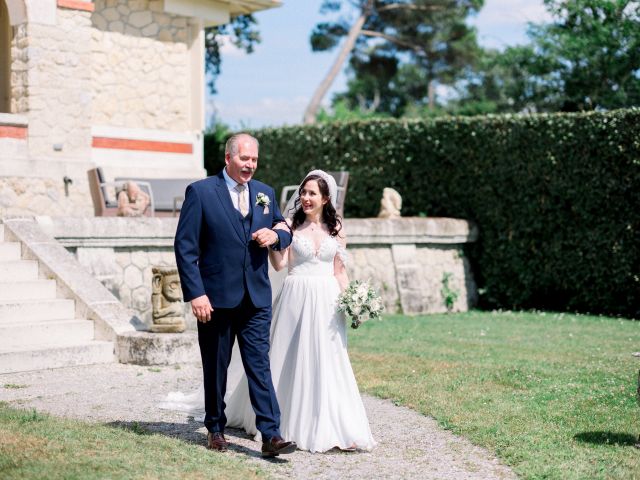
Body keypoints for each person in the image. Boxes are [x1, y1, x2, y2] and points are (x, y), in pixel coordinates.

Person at [165, 170, 376, 453]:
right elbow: (279, 263)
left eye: (313, 193)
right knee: (284, 360)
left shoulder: (337, 231)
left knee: (329, 362)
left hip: (327, 302)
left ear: (326, 198)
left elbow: (340, 272)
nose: (306, 197)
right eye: (303, 192)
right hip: (296, 296)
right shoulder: (289, 225)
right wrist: (271, 242)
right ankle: (273, 428)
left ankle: (332, 425)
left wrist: (354, 302)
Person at [173, 133, 297, 458]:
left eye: (254, 160)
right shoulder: (200, 193)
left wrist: (275, 235)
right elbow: (185, 248)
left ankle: (271, 435)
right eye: (245, 159)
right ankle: (215, 426)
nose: (250, 165)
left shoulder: (265, 194)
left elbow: (285, 227)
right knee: (217, 366)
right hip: (214, 300)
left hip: (256, 299)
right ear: (228, 158)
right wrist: (196, 293)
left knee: (259, 365)